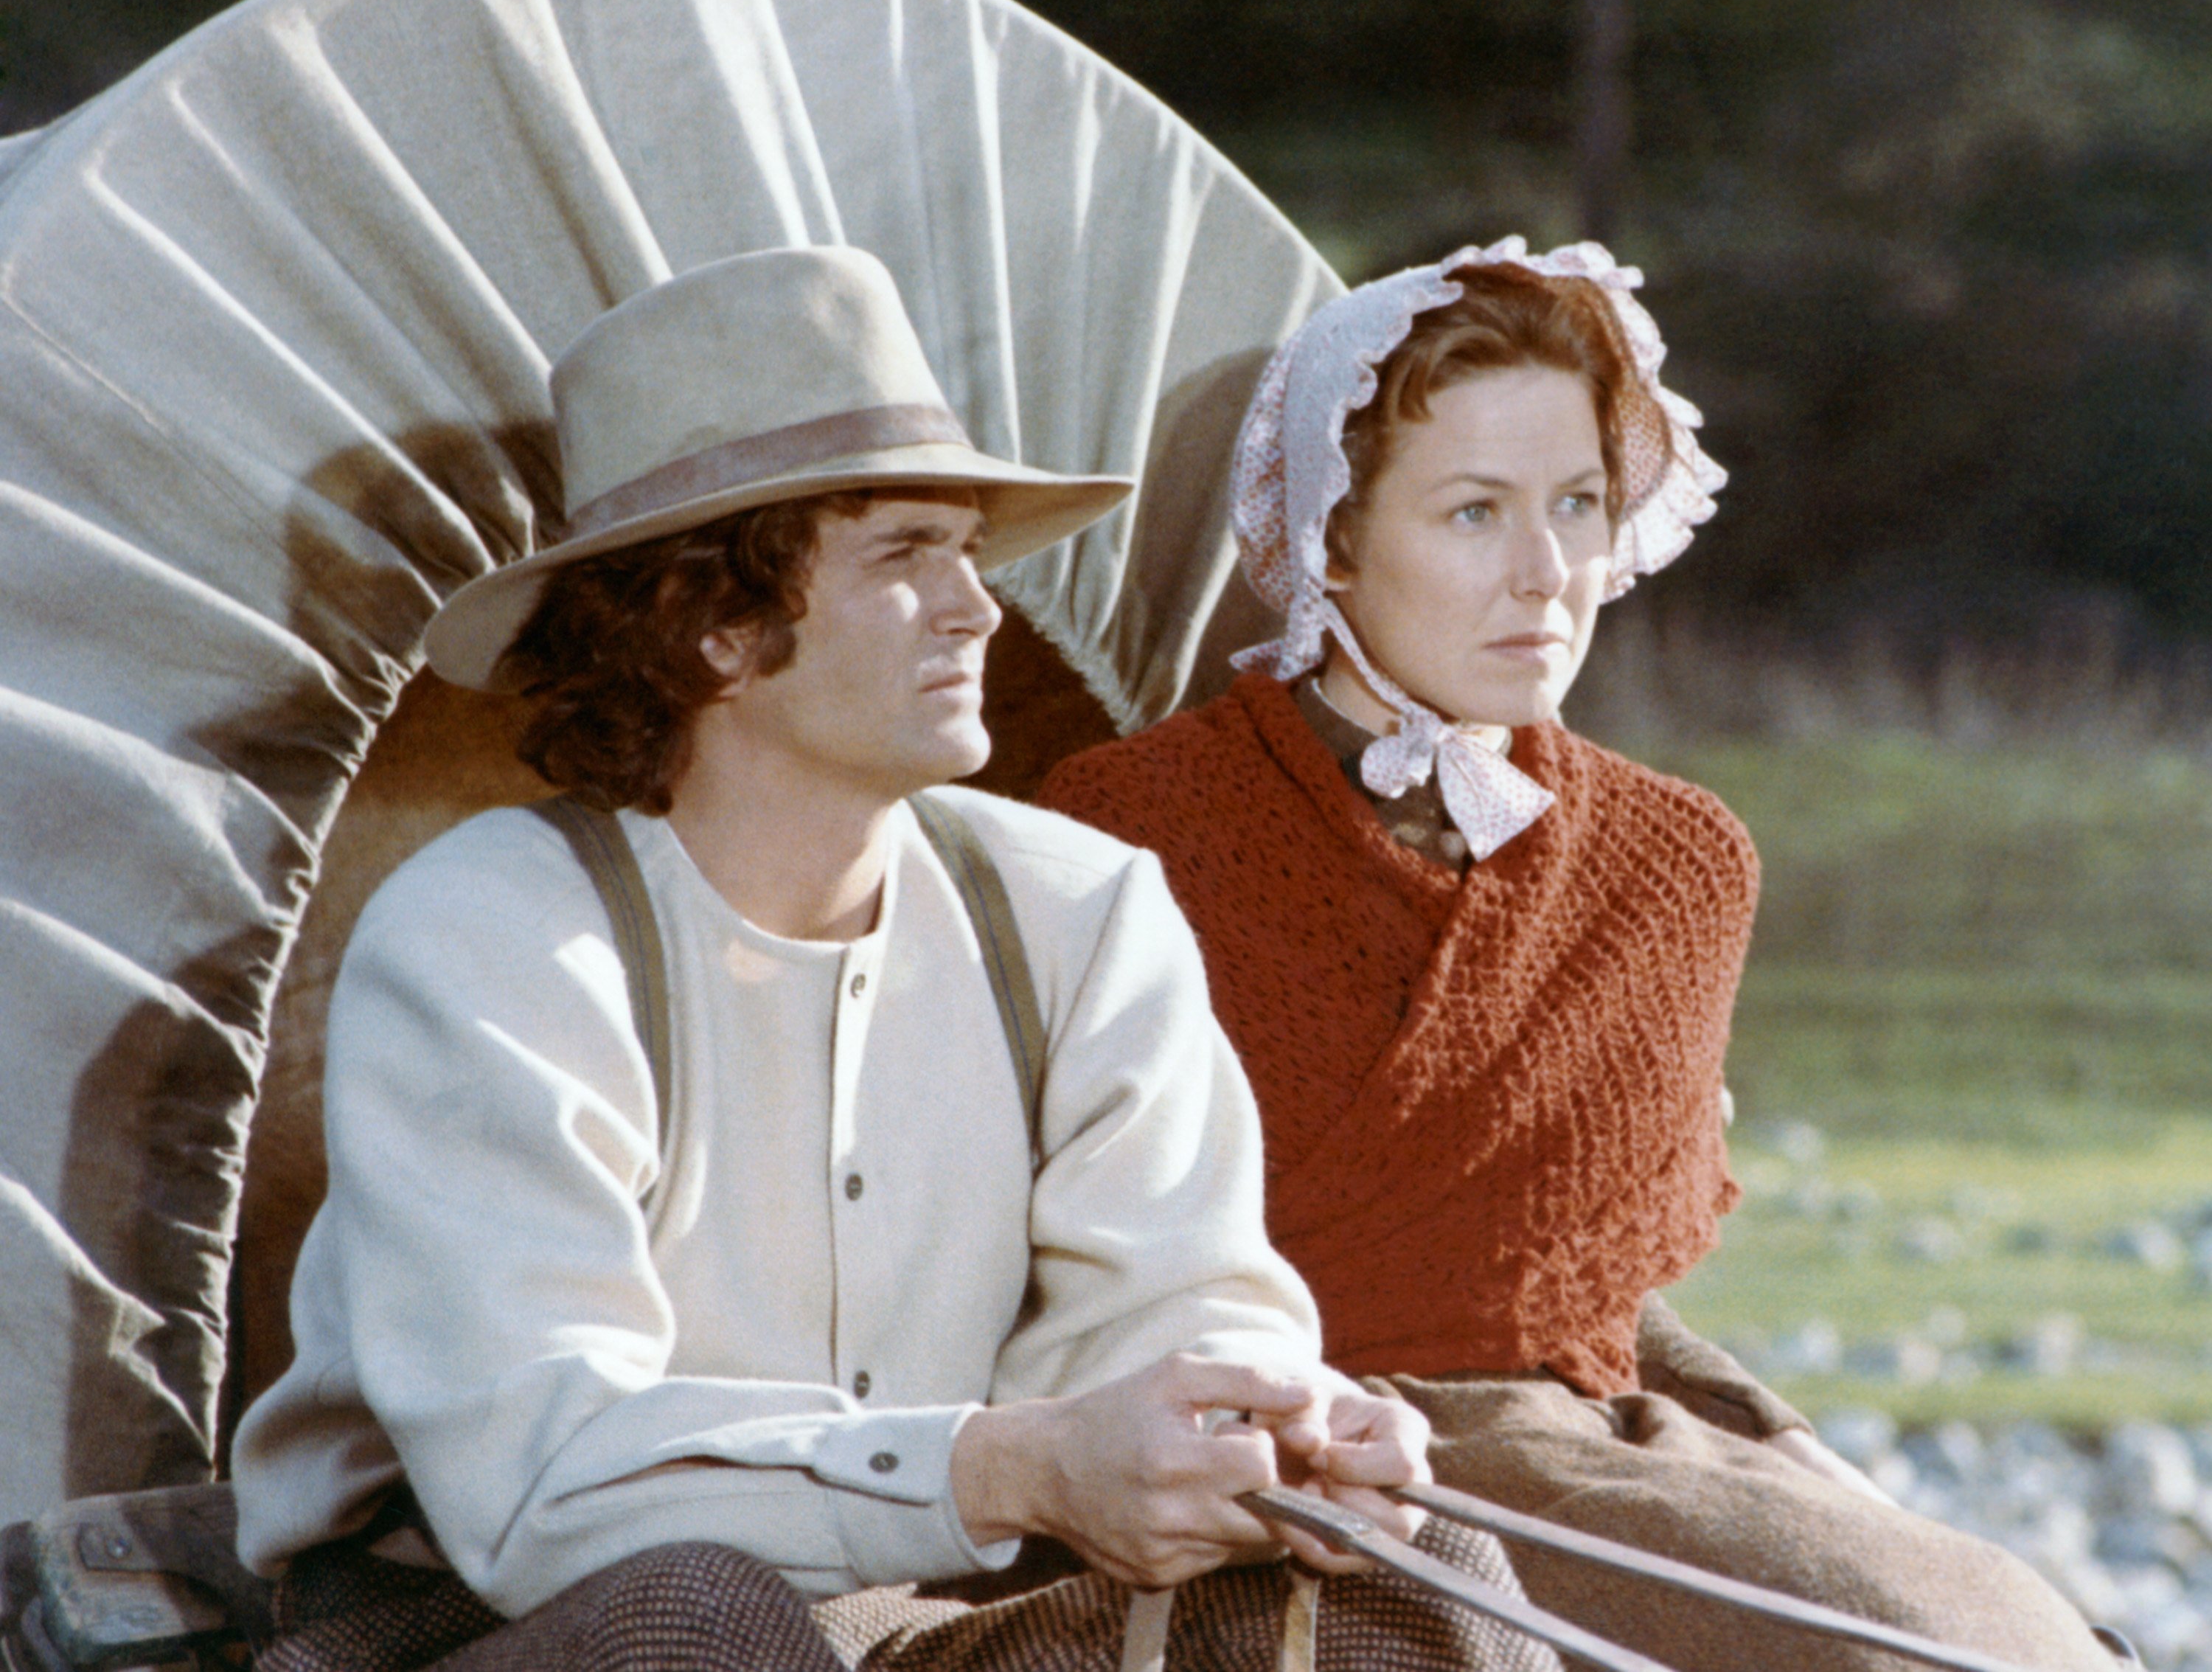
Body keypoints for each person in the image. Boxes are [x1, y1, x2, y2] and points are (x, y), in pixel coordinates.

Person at [229, 245, 1562, 1672]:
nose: (978, 607)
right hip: (489, 1617)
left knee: (1421, 1584)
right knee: (701, 1615)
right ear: (716, 626)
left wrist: (1271, 1430)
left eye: (968, 551)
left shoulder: (1080, 905)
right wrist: (1014, 1470)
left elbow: (1178, 1305)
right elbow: (545, 1486)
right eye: (904, 554)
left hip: (919, 1605)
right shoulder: (491, 940)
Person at [1038, 239, 2121, 1672]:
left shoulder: (1679, 862)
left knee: (2023, 1639)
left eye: (1579, 506)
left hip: (1592, 1440)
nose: (1547, 575)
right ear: (1333, 538)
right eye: (1475, 513)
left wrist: (1790, 1455)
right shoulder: (1130, 828)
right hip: (1270, 1444)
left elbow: (1595, 1299)